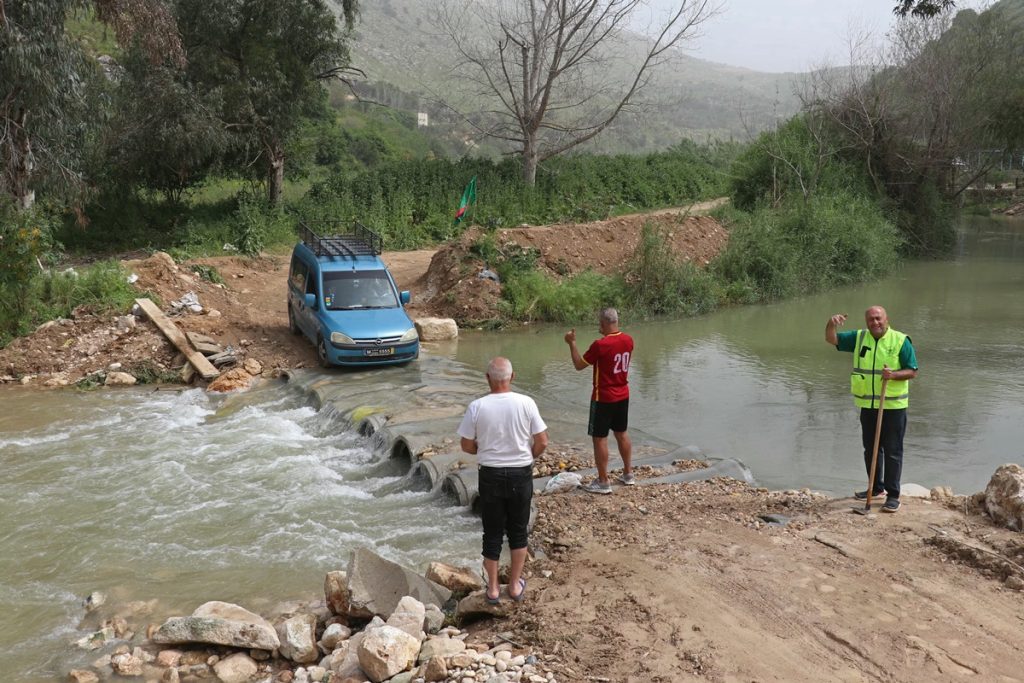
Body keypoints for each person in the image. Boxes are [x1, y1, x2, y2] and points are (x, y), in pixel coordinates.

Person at [457, 357, 548, 603]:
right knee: (518, 531)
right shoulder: (526, 403)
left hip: (491, 474)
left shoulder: (477, 406)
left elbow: (466, 445)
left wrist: (483, 450)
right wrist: (528, 456)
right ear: (512, 377)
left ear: (487, 378)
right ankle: (515, 586)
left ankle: (493, 588)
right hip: (520, 472)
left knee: (492, 532)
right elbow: (542, 441)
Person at [826, 306, 919, 513]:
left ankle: (893, 495)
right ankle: (876, 488)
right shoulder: (859, 338)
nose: (875, 322)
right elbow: (832, 339)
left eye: (878, 318)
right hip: (868, 405)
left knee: (893, 451)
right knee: (871, 449)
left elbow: (912, 371)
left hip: (893, 406)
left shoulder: (900, 340)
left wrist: (893, 375)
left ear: (886, 319)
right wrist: (831, 324)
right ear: (866, 322)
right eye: (871, 319)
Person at [564, 307, 634, 495]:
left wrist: (572, 343)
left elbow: (579, 365)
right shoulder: (628, 340)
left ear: (603, 323)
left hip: (603, 396)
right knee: (622, 433)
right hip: (623, 394)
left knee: (599, 438)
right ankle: (628, 473)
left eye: (599, 323)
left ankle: (603, 481)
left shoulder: (600, 345)